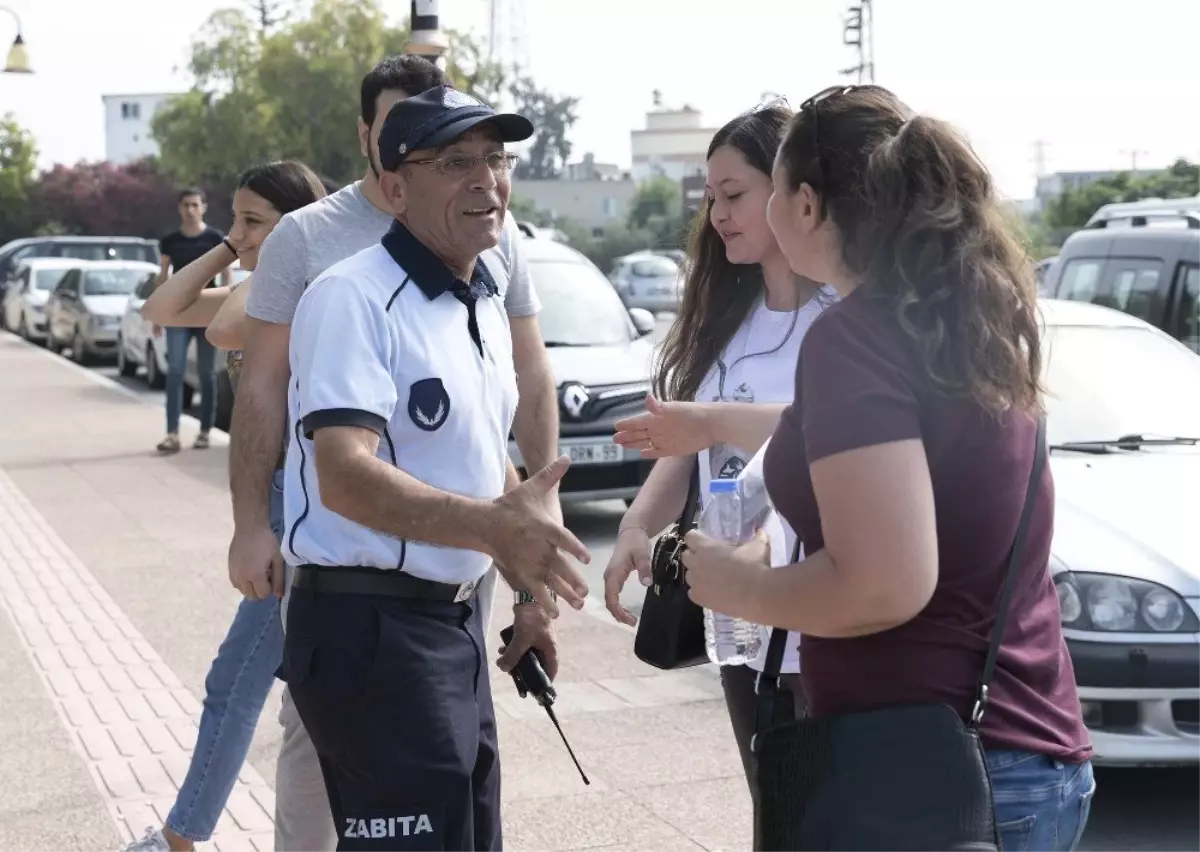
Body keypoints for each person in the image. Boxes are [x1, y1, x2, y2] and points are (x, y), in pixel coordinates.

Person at [681, 84, 1095, 851]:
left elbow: (883, 583)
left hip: (940, 778)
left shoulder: (855, 342)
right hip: (1018, 750)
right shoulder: (964, 312)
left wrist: (737, 588)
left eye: (769, 191)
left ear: (804, 206)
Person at [227, 55, 563, 851]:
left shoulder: (474, 297)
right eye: (455, 163)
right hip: (369, 629)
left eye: (496, 158)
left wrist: (526, 589)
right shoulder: (349, 292)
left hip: (453, 631)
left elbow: (487, 467)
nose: (486, 181)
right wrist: (492, 528)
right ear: (396, 185)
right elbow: (343, 473)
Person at [601, 101, 831, 829]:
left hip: (823, 607)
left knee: (825, 819)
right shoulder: (725, 313)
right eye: (710, 199)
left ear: (792, 190)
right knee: (773, 810)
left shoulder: (844, 316)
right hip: (738, 615)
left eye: (734, 195)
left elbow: (834, 433)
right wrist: (637, 524)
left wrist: (711, 422)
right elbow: (690, 442)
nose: (718, 215)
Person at [124, 160, 328, 852]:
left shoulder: (303, 287)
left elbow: (220, 328)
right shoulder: (262, 281)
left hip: (299, 512)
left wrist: (264, 247)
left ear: (297, 227)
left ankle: (181, 839)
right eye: (233, 216)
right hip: (285, 505)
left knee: (237, 681)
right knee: (283, 696)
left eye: (251, 220)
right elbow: (160, 309)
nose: (235, 232)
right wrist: (229, 244)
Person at [154, 188, 231, 454]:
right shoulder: (170, 241)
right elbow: (163, 277)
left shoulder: (214, 238)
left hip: (206, 313)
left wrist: (225, 311)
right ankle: (172, 433)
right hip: (178, 313)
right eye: (186, 205)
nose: (190, 209)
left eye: (195, 204)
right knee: (175, 372)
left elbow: (226, 277)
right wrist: (158, 313)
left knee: (207, 374)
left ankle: (204, 431)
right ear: (179, 208)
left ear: (203, 207)